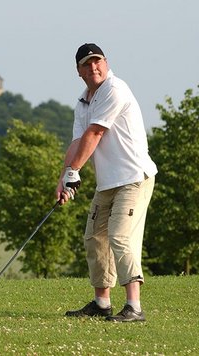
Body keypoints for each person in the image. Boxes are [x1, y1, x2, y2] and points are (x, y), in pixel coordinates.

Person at [56, 43, 157, 322]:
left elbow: (95, 132)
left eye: (98, 61)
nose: (94, 67)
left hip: (134, 178)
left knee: (121, 236)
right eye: (87, 64)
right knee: (94, 237)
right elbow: (77, 142)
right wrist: (65, 177)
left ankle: (134, 307)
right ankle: (102, 303)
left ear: (106, 63)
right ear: (78, 71)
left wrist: (74, 172)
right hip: (108, 182)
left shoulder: (115, 89)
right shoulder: (83, 101)